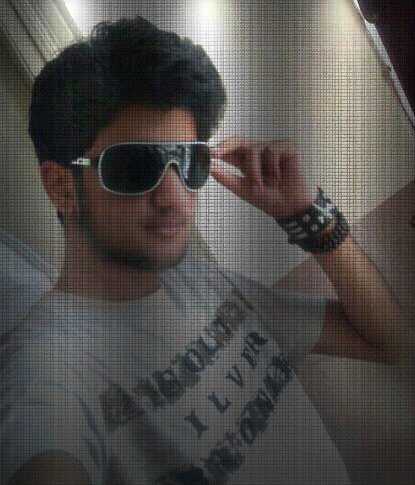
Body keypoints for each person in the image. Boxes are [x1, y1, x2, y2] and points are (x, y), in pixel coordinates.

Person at [0, 15, 413, 485]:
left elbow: (392, 343)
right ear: (61, 186)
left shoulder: (200, 281)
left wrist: (306, 213)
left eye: (189, 161)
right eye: (135, 165)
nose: (174, 196)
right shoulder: (45, 375)